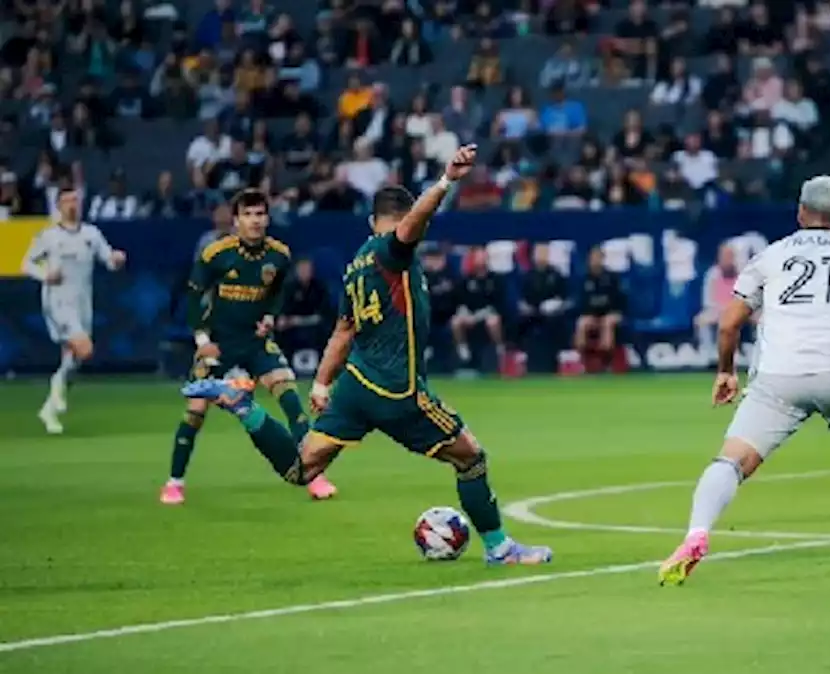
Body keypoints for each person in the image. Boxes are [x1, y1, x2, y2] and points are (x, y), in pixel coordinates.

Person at [181, 146, 553, 565]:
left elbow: (343, 331)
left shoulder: (356, 264)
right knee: (471, 457)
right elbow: (412, 225)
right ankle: (499, 548)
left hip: (354, 387)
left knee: (301, 469)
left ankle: (245, 408)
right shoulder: (392, 252)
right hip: (396, 389)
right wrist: (447, 180)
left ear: (370, 221)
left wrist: (321, 383)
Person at [658, 175, 830, 586]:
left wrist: (725, 372)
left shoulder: (770, 256)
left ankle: (696, 533)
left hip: (778, 377)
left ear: (800, 213)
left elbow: (729, 323)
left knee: (732, 460)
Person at [162, 189, 336, 505]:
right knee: (196, 411)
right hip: (220, 345)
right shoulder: (216, 254)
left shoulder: (279, 255)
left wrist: (270, 315)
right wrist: (203, 341)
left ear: (267, 218)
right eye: (248, 214)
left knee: (291, 397)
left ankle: (314, 475)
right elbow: (192, 295)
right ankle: (174, 482)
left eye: (260, 214)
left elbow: (279, 291)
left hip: (256, 343)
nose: (255, 221)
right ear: (236, 219)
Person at [21, 186, 127, 434]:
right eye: (66, 201)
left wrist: (116, 259)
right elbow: (26, 263)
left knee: (75, 360)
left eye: (75, 200)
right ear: (58, 207)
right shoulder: (48, 236)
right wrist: (45, 275)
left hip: (82, 303)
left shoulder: (91, 234)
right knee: (84, 348)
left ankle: (49, 408)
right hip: (58, 302)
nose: (72, 205)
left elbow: (108, 259)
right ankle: (56, 392)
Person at [450, 248, 505, 368]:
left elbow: (497, 303)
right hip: (469, 315)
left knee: (493, 321)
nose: (480, 261)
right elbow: (460, 301)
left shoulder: (495, 279)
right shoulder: (466, 280)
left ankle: (499, 349)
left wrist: (478, 316)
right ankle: (462, 349)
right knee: (455, 322)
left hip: (487, 314)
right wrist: (466, 314)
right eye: (478, 257)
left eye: (483, 257)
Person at [574, 247, 626, 355]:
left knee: (607, 323)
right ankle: (582, 356)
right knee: (581, 323)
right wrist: (589, 313)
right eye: (592, 258)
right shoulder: (584, 279)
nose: (595, 261)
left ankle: (606, 355)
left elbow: (619, 299)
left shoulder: (612, 278)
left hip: (611, 314)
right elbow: (582, 301)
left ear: (603, 259)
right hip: (592, 314)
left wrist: (612, 312)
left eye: (598, 258)